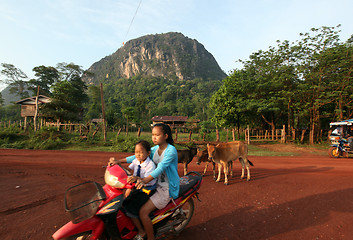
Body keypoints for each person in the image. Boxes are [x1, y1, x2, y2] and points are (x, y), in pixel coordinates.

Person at [109, 123, 180, 240]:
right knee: (129, 201)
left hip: (166, 188)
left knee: (143, 213)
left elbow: (161, 168)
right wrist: (119, 161)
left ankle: (149, 237)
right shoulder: (155, 149)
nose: (154, 137)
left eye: (157, 135)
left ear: (166, 136)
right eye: (153, 135)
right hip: (154, 184)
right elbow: (138, 155)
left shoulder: (171, 151)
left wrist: (144, 180)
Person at [123, 140, 156, 239]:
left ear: (148, 153)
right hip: (137, 187)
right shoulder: (136, 161)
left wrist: (136, 178)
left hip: (147, 189)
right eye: (136, 152)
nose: (138, 154)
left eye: (141, 152)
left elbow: (146, 180)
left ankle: (142, 231)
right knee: (124, 198)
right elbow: (128, 169)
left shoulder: (150, 165)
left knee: (130, 206)